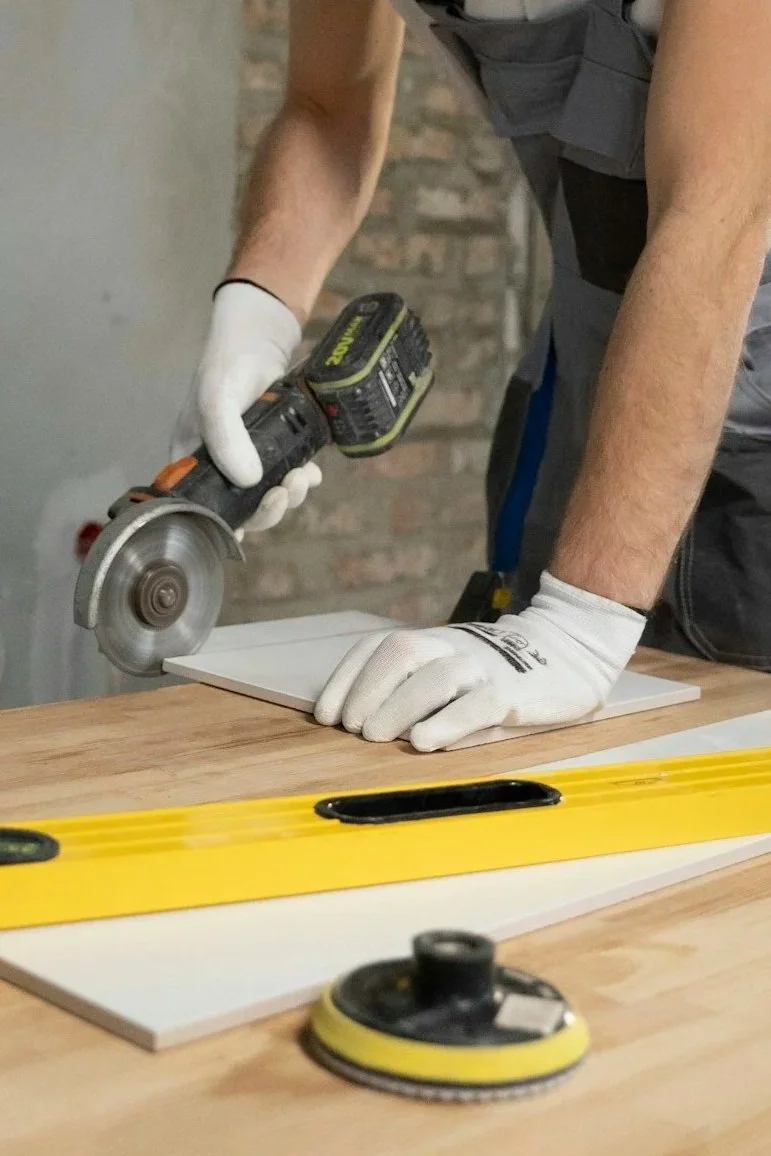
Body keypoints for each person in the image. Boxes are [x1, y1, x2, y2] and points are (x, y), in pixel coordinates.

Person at [173, 0, 771, 752]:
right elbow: (328, 107)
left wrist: (583, 621)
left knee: (723, 794)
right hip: (588, 360)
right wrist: (254, 316)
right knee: (530, 738)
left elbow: (716, 213)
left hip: (747, 395)